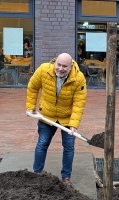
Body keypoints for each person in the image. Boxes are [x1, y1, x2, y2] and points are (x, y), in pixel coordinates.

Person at [26, 53, 87, 187]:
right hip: (46, 116)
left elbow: (79, 103)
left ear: (71, 67)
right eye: (58, 65)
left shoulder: (79, 78)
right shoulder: (43, 70)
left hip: (67, 118)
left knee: (69, 148)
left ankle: (66, 177)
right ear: (55, 62)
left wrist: (74, 124)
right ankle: (37, 174)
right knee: (42, 144)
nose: (60, 68)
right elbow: (32, 87)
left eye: (64, 66)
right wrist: (30, 107)